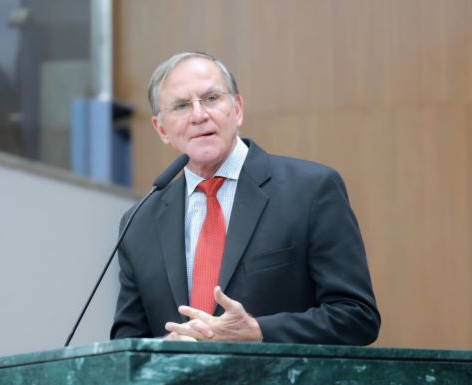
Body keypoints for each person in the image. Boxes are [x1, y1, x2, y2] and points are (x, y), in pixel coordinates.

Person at [110, 51, 380, 345]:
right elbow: (127, 344)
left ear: (237, 109)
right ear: (162, 129)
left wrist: (258, 331)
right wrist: (165, 348)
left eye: (211, 98)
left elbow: (357, 317)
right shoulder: (139, 222)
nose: (199, 115)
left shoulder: (311, 190)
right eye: (182, 106)